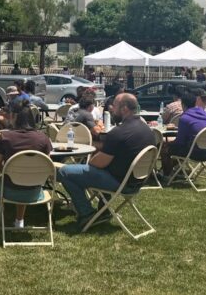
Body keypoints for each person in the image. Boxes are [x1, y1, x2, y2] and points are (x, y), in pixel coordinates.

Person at [57, 93, 153, 231]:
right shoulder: (146, 129)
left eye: (114, 107)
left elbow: (96, 164)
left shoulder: (119, 132)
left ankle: (86, 213)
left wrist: (92, 158)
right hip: (136, 181)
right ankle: (104, 210)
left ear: (124, 109)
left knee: (65, 171)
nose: (111, 110)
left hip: (119, 182)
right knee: (95, 170)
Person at [0, 100, 54, 229]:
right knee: (26, 179)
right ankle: (19, 220)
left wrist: (8, 170)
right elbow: (48, 168)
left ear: (14, 117)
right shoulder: (43, 138)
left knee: (16, 179)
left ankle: (14, 219)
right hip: (35, 193)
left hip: (8, 192)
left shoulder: (5, 137)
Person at [161, 90, 206, 177]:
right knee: (176, 148)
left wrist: (168, 143)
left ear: (183, 105)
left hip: (195, 152)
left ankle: (166, 174)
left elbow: (180, 142)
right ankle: (174, 170)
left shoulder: (185, 118)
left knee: (165, 147)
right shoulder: (205, 115)